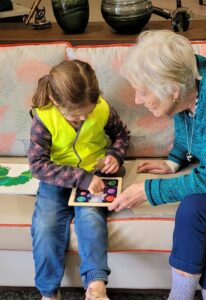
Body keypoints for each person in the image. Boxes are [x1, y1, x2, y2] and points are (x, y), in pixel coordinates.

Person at [108, 30, 206, 300]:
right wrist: (174, 161)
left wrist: (150, 191)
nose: (136, 99)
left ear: (172, 89)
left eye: (144, 90)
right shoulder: (188, 81)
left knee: (194, 208)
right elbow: (187, 120)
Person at [28, 60, 130, 300]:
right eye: (76, 116)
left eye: (89, 111)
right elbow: (37, 165)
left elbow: (121, 135)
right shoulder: (43, 118)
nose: (84, 118)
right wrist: (80, 178)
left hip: (96, 176)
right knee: (45, 225)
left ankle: (96, 286)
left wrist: (115, 155)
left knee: (92, 219)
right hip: (57, 180)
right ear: (56, 101)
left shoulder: (103, 108)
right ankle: (48, 292)